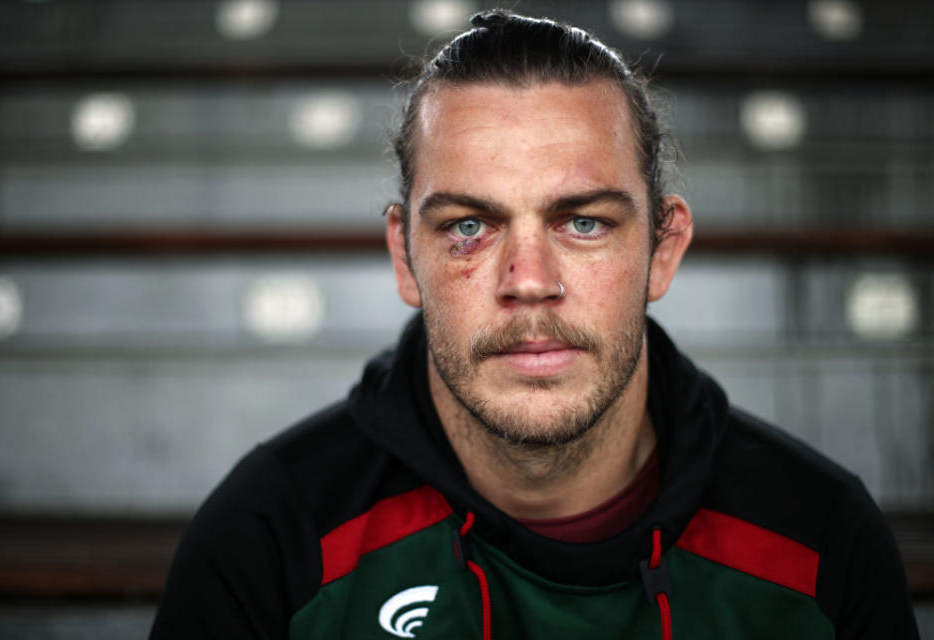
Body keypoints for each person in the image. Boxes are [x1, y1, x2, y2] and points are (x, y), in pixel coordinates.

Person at [151, 10, 918, 639]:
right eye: (468, 227)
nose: (529, 282)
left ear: (663, 248)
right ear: (402, 254)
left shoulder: (821, 541)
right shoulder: (269, 538)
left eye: (583, 223)